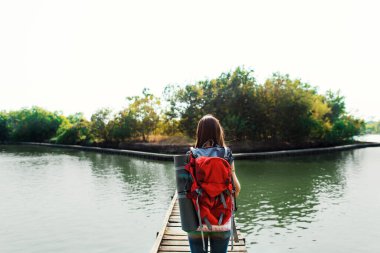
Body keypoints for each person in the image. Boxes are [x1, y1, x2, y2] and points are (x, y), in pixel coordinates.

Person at [187, 114, 241, 253]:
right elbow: (237, 188)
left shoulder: (191, 154)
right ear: (219, 132)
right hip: (221, 218)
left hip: (196, 219)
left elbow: (184, 190)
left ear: (199, 132)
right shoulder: (226, 153)